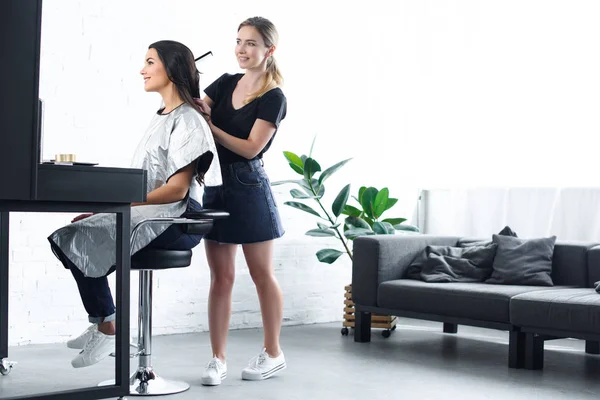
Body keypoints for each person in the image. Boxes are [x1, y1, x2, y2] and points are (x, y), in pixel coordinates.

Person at [47, 40, 222, 368]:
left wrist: (118, 205)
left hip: (176, 217)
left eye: (150, 62)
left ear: (170, 69)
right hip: (154, 210)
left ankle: (107, 326)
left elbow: (175, 190)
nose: (142, 69)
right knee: (72, 232)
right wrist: (104, 211)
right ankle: (104, 319)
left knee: (79, 238)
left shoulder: (188, 119)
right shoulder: (162, 117)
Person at [194, 16, 287, 385]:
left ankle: (274, 353)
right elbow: (195, 110)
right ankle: (217, 359)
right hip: (215, 186)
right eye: (238, 41)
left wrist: (211, 126)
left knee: (262, 275)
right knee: (221, 278)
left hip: (248, 188)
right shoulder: (226, 82)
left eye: (250, 43)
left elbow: (250, 147)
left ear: (269, 50)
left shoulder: (274, 97)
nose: (242, 49)